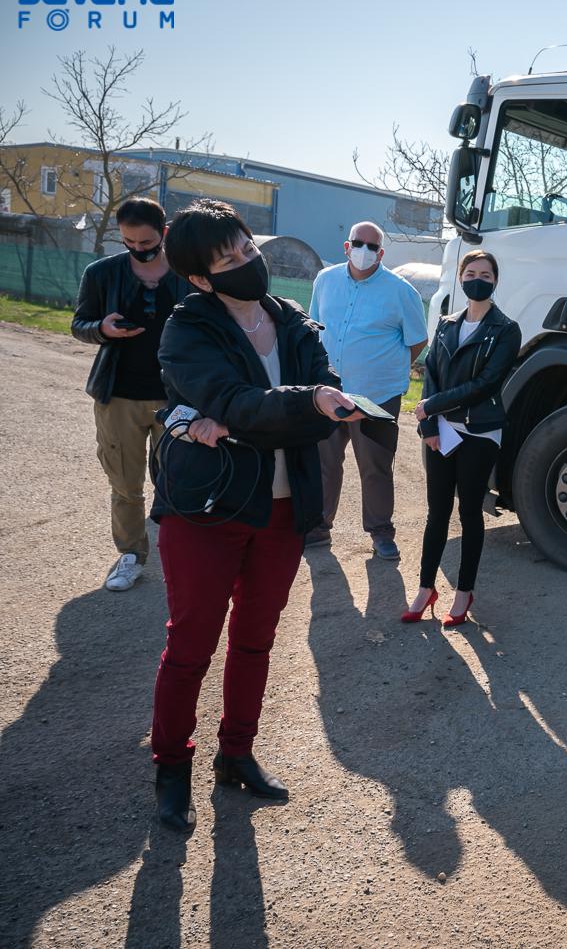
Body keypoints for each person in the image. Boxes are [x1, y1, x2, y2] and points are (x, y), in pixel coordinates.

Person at [149, 199, 364, 831]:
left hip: (283, 508)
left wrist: (282, 410)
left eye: (248, 248)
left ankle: (236, 753)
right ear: (199, 278)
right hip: (209, 509)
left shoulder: (292, 319)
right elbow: (237, 401)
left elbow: (317, 398)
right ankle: (172, 767)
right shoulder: (188, 330)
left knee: (255, 639)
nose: (249, 262)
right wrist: (301, 406)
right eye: (230, 260)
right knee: (191, 644)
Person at [71, 197, 192, 591]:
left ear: (164, 233)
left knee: (177, 482)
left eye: (147, 242)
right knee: (125, 483)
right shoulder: (101, 273)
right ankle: (131, 555)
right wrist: (102, 329)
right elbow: (79, 323)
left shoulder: (190, 276)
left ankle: (180, 558)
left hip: (175, 398)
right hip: (118, 396)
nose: (138, 249)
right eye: (129, 242)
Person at [402, 251, 520, 627]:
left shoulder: (506, 329)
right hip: (443, 430)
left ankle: (464, 592)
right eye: (470, 273)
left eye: (485, 274)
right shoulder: (446, 324)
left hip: (480, 431)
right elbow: (432, 373)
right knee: (436, 512)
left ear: (495, 281)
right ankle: (425, 588)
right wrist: (429, 425)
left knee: (469, 511)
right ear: (459, 277)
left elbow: (486, 384)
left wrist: (431, 406)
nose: (477, 279)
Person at [305, 221, 427, 559]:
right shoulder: (325, 280)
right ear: (347, 247)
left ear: (381, 253)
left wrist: (385, 369)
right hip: (330, 392)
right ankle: (318, 526)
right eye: (358, 244)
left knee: (375, 466)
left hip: (378, 396)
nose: (364, 251)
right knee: (324, 462)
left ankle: (381, 532)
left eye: (372, 247)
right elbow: (316, 327)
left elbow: (417, 340)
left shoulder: (402, 292)